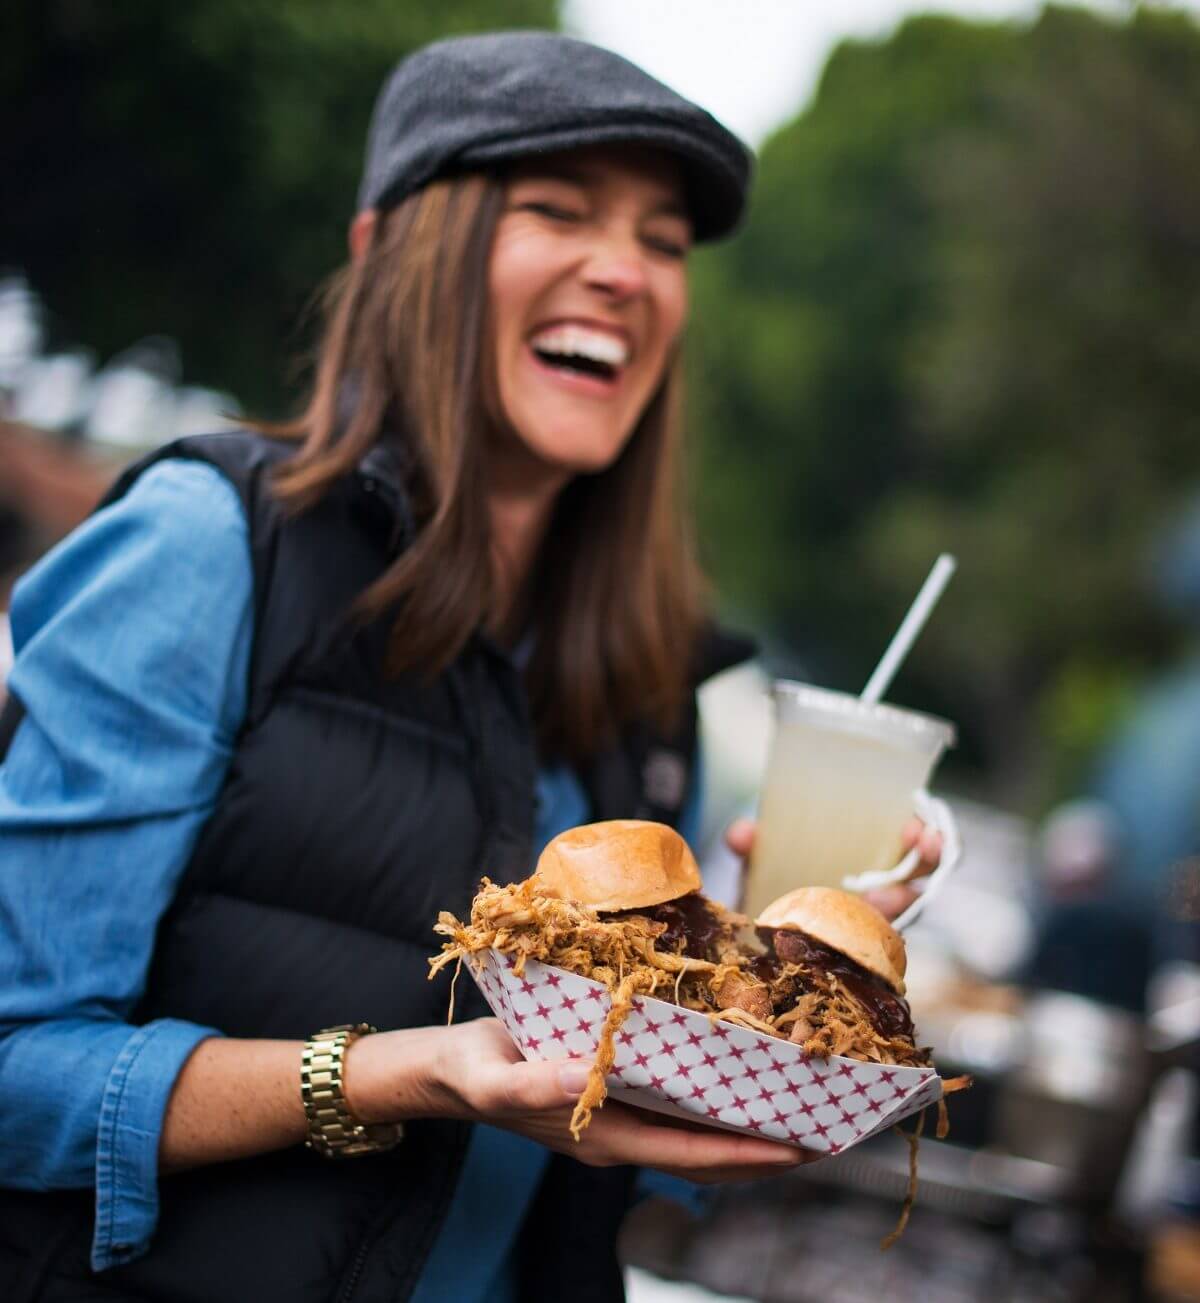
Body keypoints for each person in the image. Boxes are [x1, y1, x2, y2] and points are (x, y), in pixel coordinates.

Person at [0, 32, 939, 1303]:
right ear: (391, 253)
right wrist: (404, 1072)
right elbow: (17, 1067)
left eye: (663, 244)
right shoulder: (213, 550)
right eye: (557, 211)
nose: (624, 272)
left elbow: (617, 1161)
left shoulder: (645, 690)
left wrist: (778, 998)